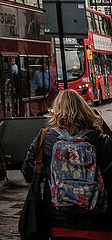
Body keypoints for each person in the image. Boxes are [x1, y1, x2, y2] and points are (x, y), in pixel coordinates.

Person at [22, 89, 112, 239]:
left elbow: (28, 173)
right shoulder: (100, 140)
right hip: (98, 223)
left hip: (58, 222)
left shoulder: (46, 138)